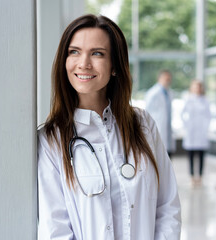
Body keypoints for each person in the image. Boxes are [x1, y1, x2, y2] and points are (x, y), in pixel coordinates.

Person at [37, 14, 181, 240]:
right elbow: (55, 229)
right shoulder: (51, 139)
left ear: (115, 66)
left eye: (97, 53)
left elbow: (167, 207)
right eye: (74, 52)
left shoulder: (143, 124)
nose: (83, 63)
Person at [181, 80, 211, 186]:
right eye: (195, 87)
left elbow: (208, 116)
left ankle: (201, 177)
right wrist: (186, 125)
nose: (197, 89)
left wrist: (206, 127)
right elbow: (182, 114)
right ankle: (192, 176)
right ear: (192, 88)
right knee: (191, 155)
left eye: (199, 87)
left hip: (201, 132)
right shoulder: (188, 99)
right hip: (191, 131)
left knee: (201, 155)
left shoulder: (205, 100)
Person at [145, 70, 175, 156]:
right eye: (166, 78)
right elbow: (147, 112)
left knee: (168, 158)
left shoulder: (169, 93)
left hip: (167, 129)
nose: (168, 80)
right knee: (159, 157)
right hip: (158, 127)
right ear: (160, 78)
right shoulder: (153, 93)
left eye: (169, 78)